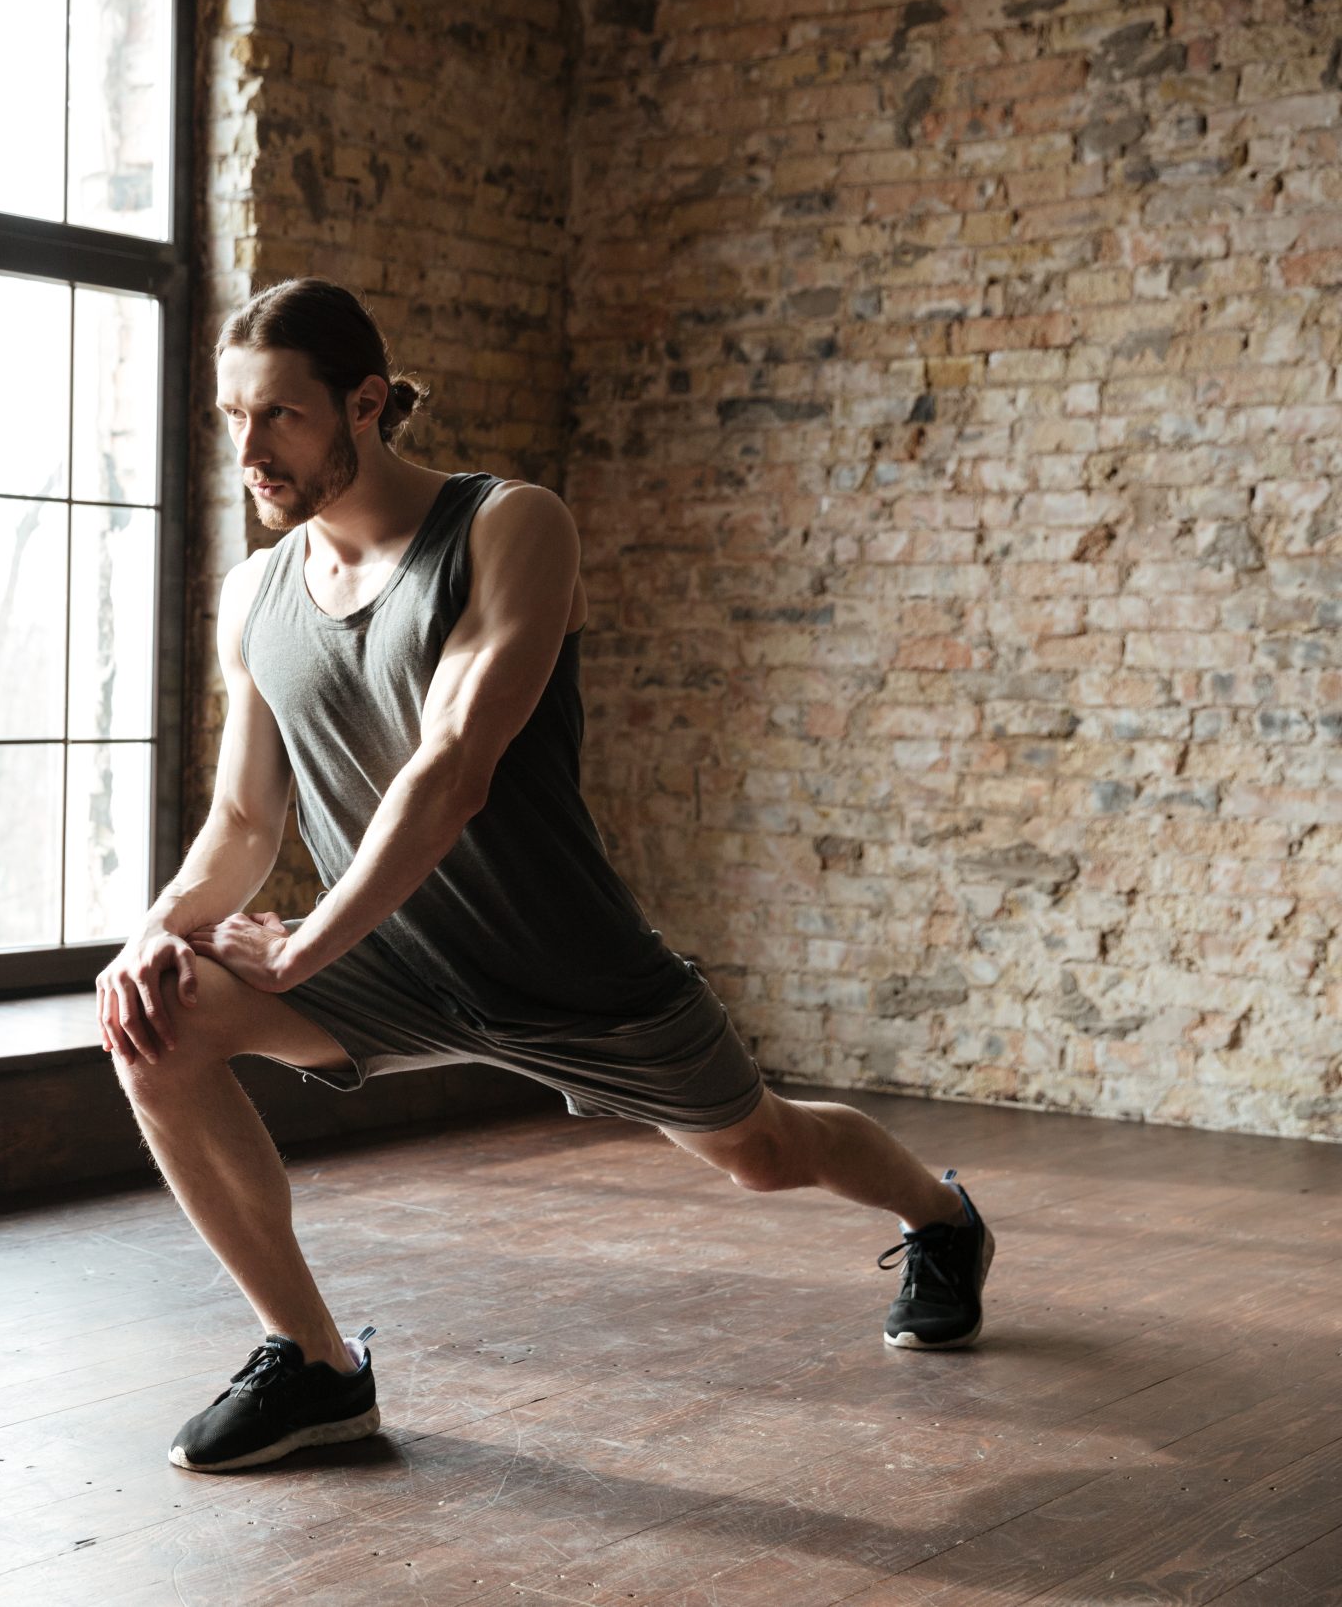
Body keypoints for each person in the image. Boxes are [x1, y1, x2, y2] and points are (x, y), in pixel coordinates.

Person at [95, 278, 995, 1475]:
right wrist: (155, 930)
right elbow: (246, 817)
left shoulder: (507, 527)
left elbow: (451, 767)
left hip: (566, 967)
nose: (248, 450)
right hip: (389, 962)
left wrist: (305, 946)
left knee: (765, 1152)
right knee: (150, 1023)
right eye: (231, 418)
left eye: (280, 417)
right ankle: (314, 1365)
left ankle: (939, 1219)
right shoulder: (255, 595)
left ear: (364, 404)